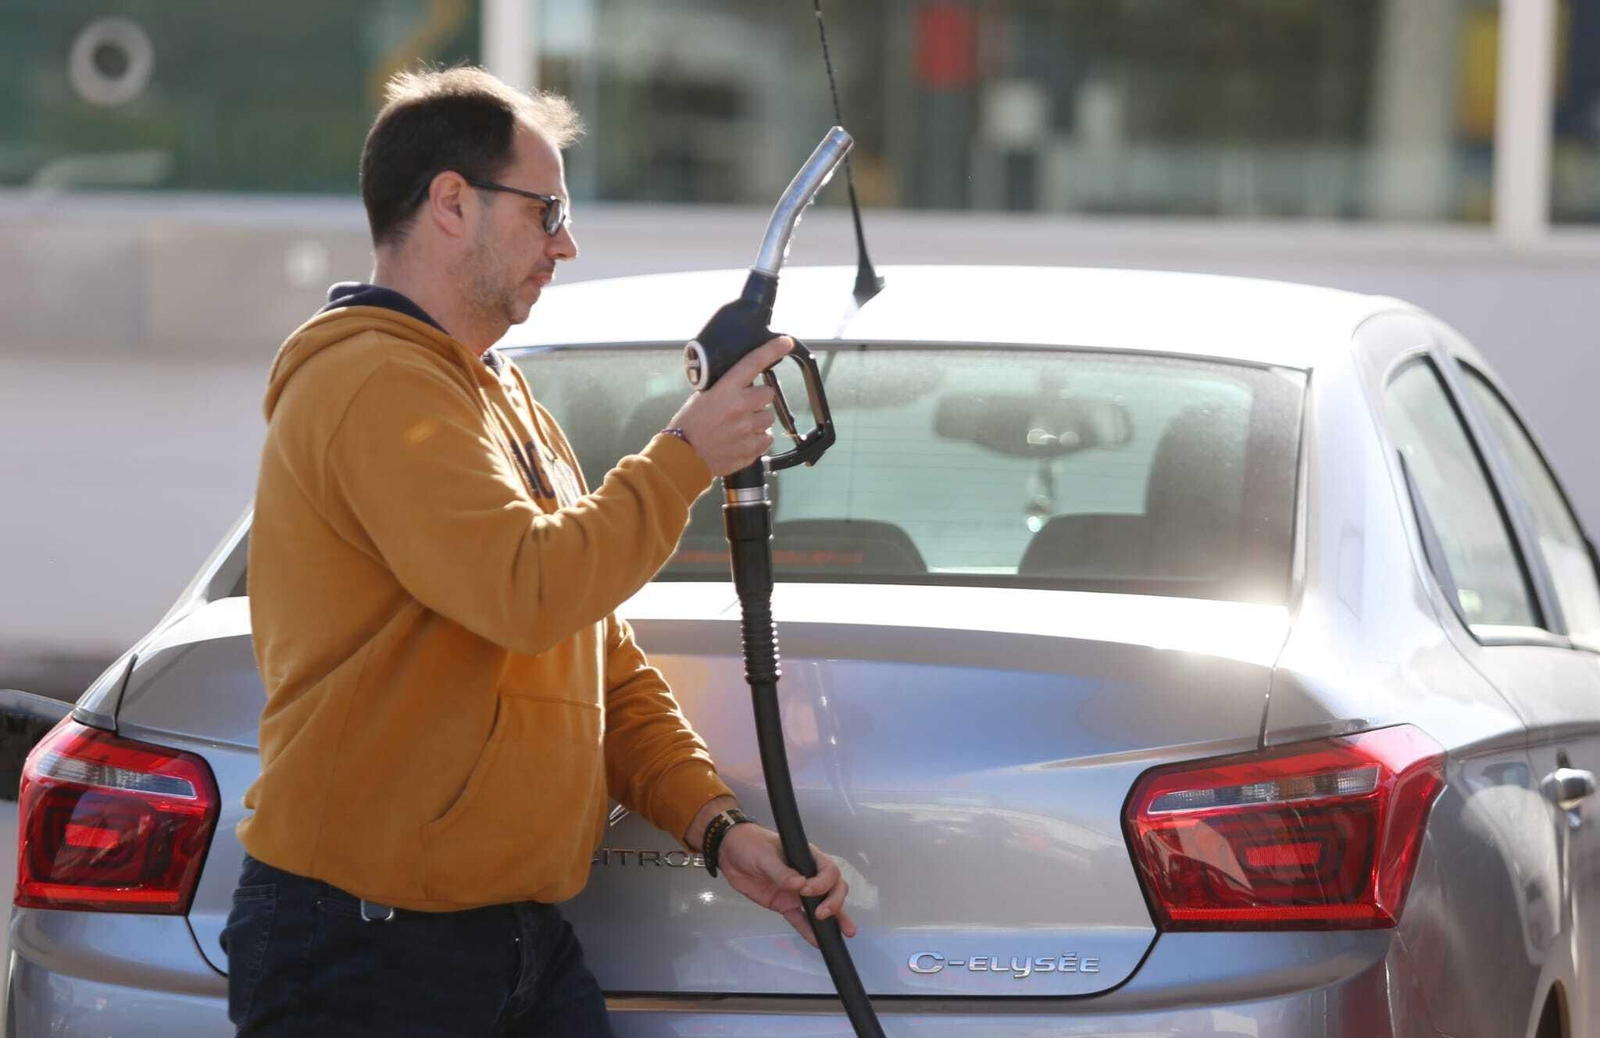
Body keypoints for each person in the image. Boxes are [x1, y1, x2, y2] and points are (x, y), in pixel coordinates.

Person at [221, 65, 855, 1037]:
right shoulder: (370, 382)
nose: (567, 242)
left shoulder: (498, 397)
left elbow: (593, 655)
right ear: (450, 202)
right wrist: (687, 454)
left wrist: (715, 828)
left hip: (507, 941)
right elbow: (528, 589)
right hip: (365, 946)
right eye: (547, 209)